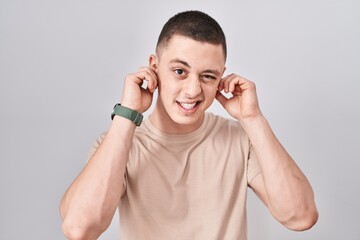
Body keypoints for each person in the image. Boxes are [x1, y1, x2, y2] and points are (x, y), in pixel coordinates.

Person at [60, 10, 318, 240]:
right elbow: (80, 229)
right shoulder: (118, 143)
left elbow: (301, 217)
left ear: (221, 78)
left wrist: (253, 119)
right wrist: (127, 115)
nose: (193, 90)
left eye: (207, 76)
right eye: (180, 71)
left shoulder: (241, 139)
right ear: (154, 67)